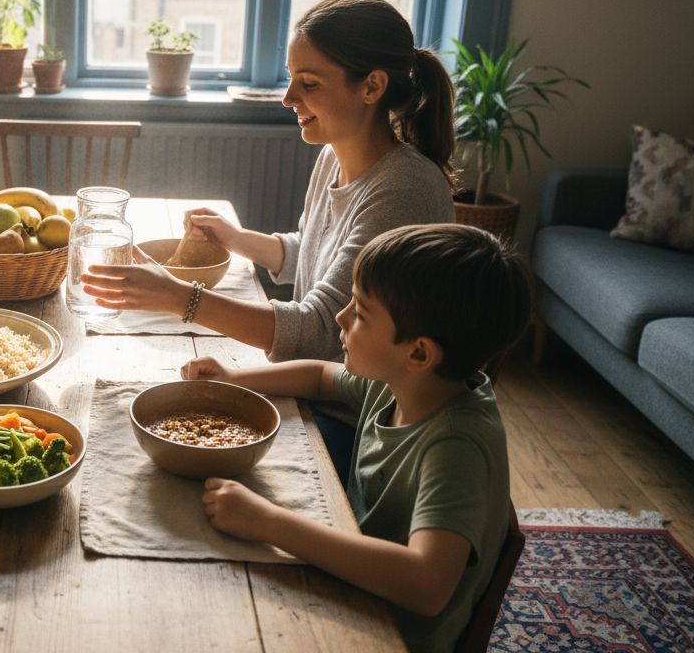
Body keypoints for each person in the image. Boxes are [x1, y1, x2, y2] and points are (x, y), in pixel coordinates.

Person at [80, 0, 457, 479]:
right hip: (317, 390)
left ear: (372, 87)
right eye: (291, 78)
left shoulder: (403, 190)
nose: (288, 98)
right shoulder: (336, 156)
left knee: (141, 450)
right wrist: (236, 238)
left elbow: (320, 330)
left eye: (309, 83)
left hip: (360, 426)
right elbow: (315, 256)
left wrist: (182, 299)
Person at [181, 224, 531, 653]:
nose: (341, 317)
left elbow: (426, 585)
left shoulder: (456, 446)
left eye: (360, 313)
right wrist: (235, 378)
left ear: (419, 352)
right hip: (359, 580)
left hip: (389, 633)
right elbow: (321, 376)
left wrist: (268, 521)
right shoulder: (404, 380)